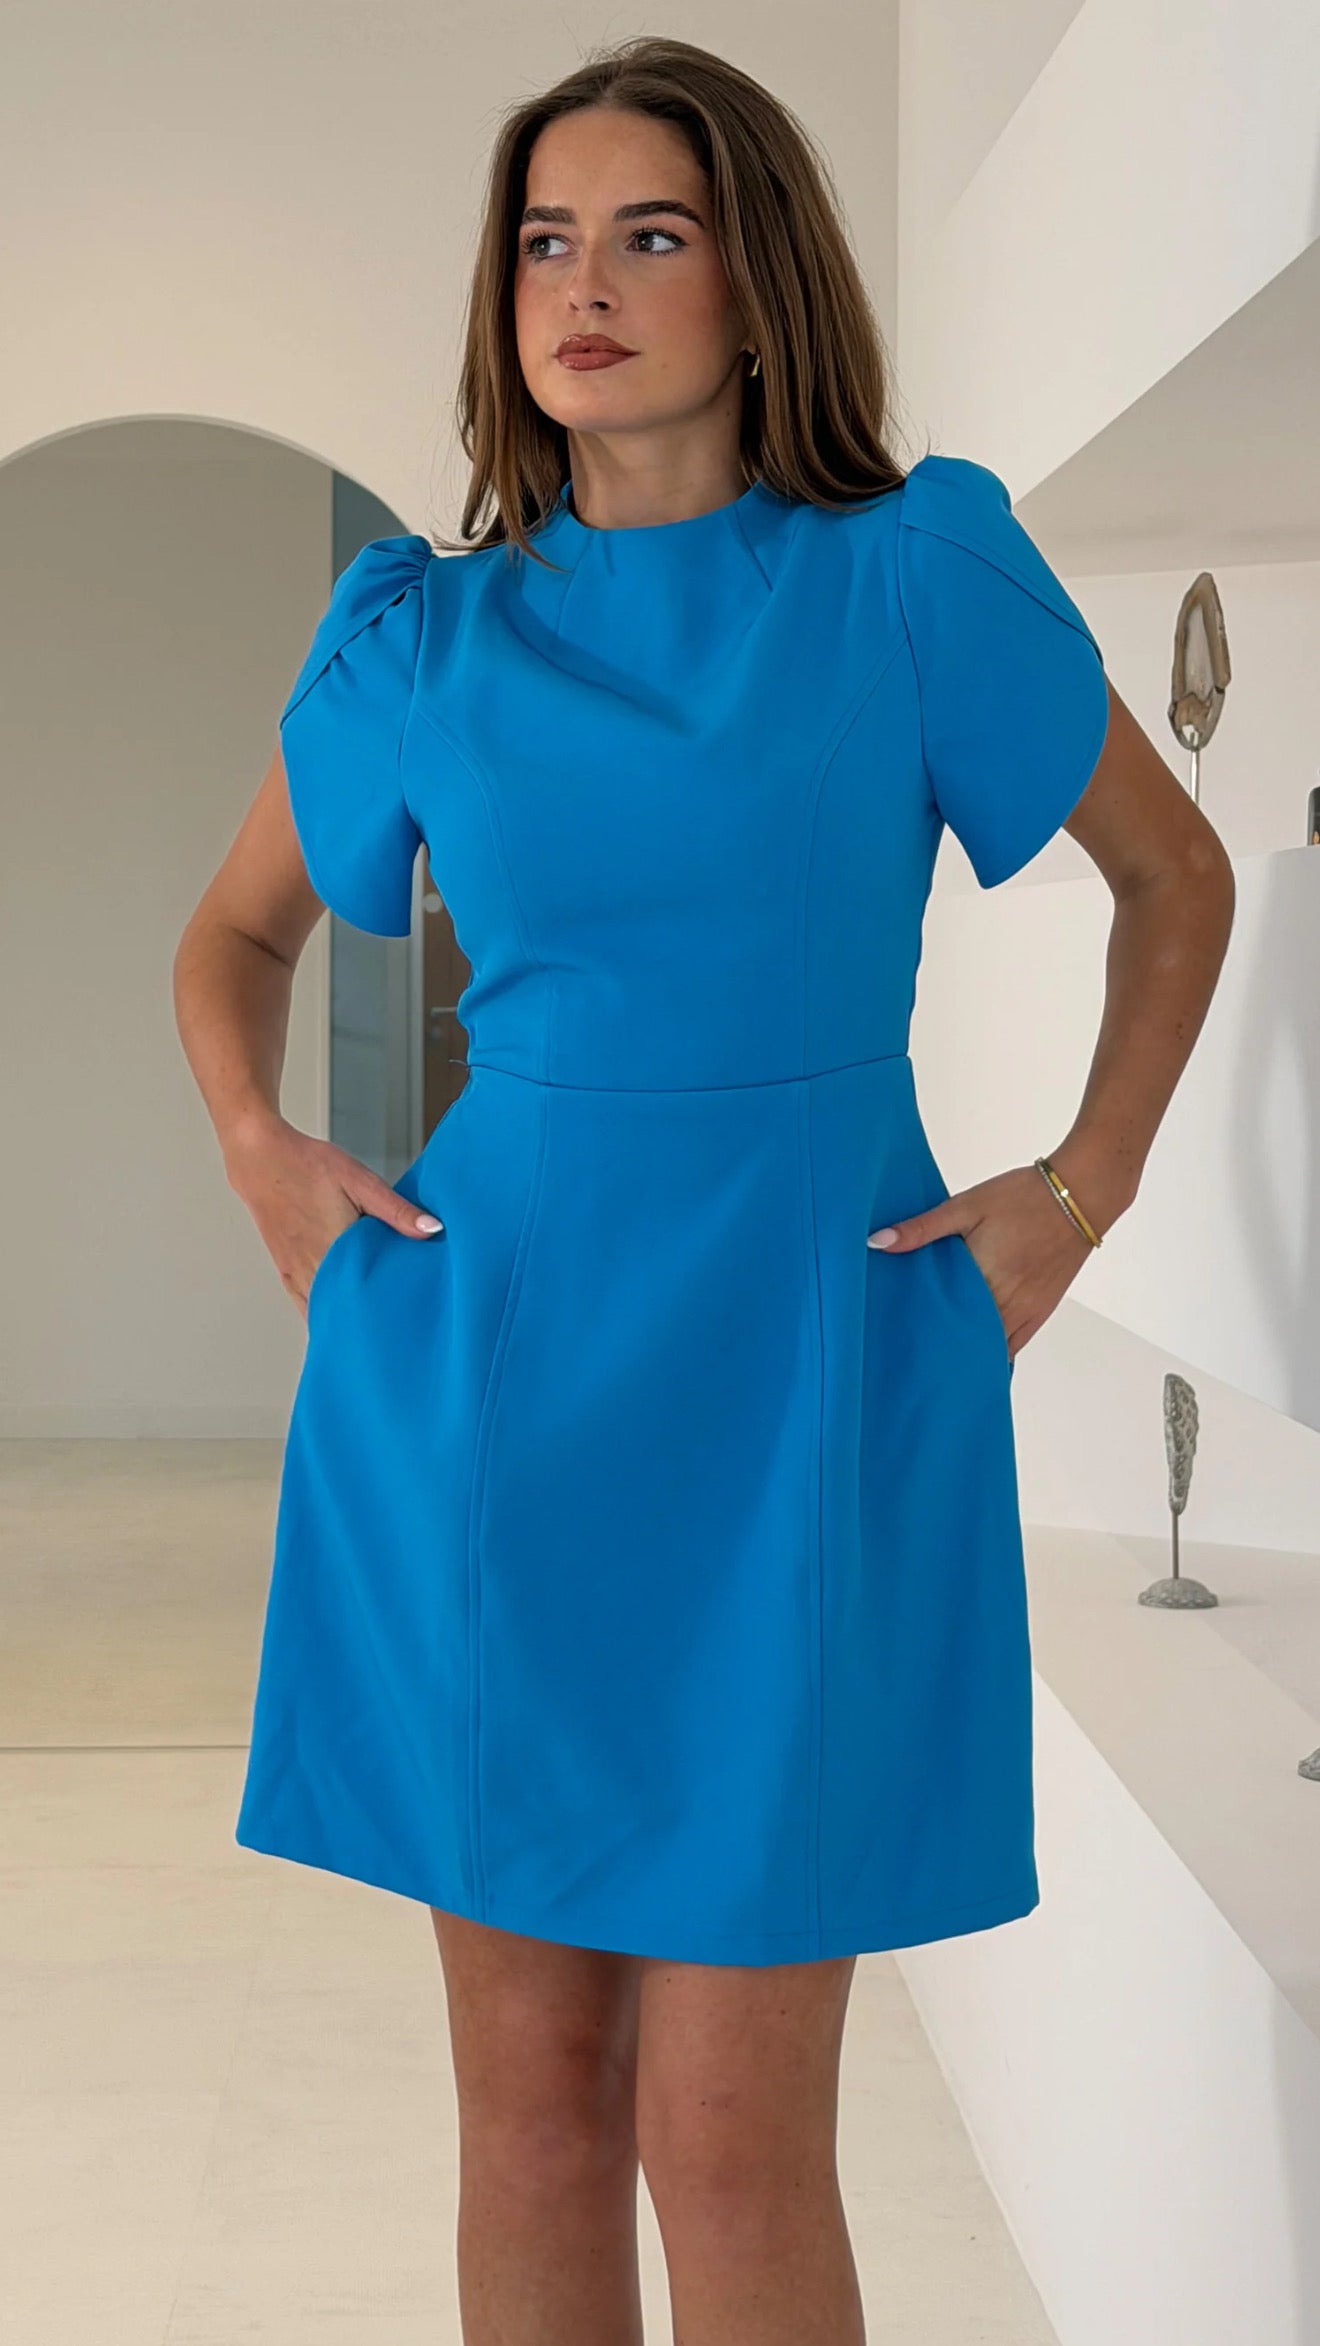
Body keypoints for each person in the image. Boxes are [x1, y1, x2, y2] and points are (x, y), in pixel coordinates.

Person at [173, 34, 1235, 2346]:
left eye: (649, 235)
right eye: (546, 241)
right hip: (487, 1395)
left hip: (803, 1386)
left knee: (733, 2138)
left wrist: (1081, 1189)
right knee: (534, 2120)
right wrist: (267, 1155)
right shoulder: (422, 632)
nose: (584, 285)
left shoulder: (910, 575)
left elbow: (1180, 877)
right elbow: (229, 939)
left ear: (757, 282)